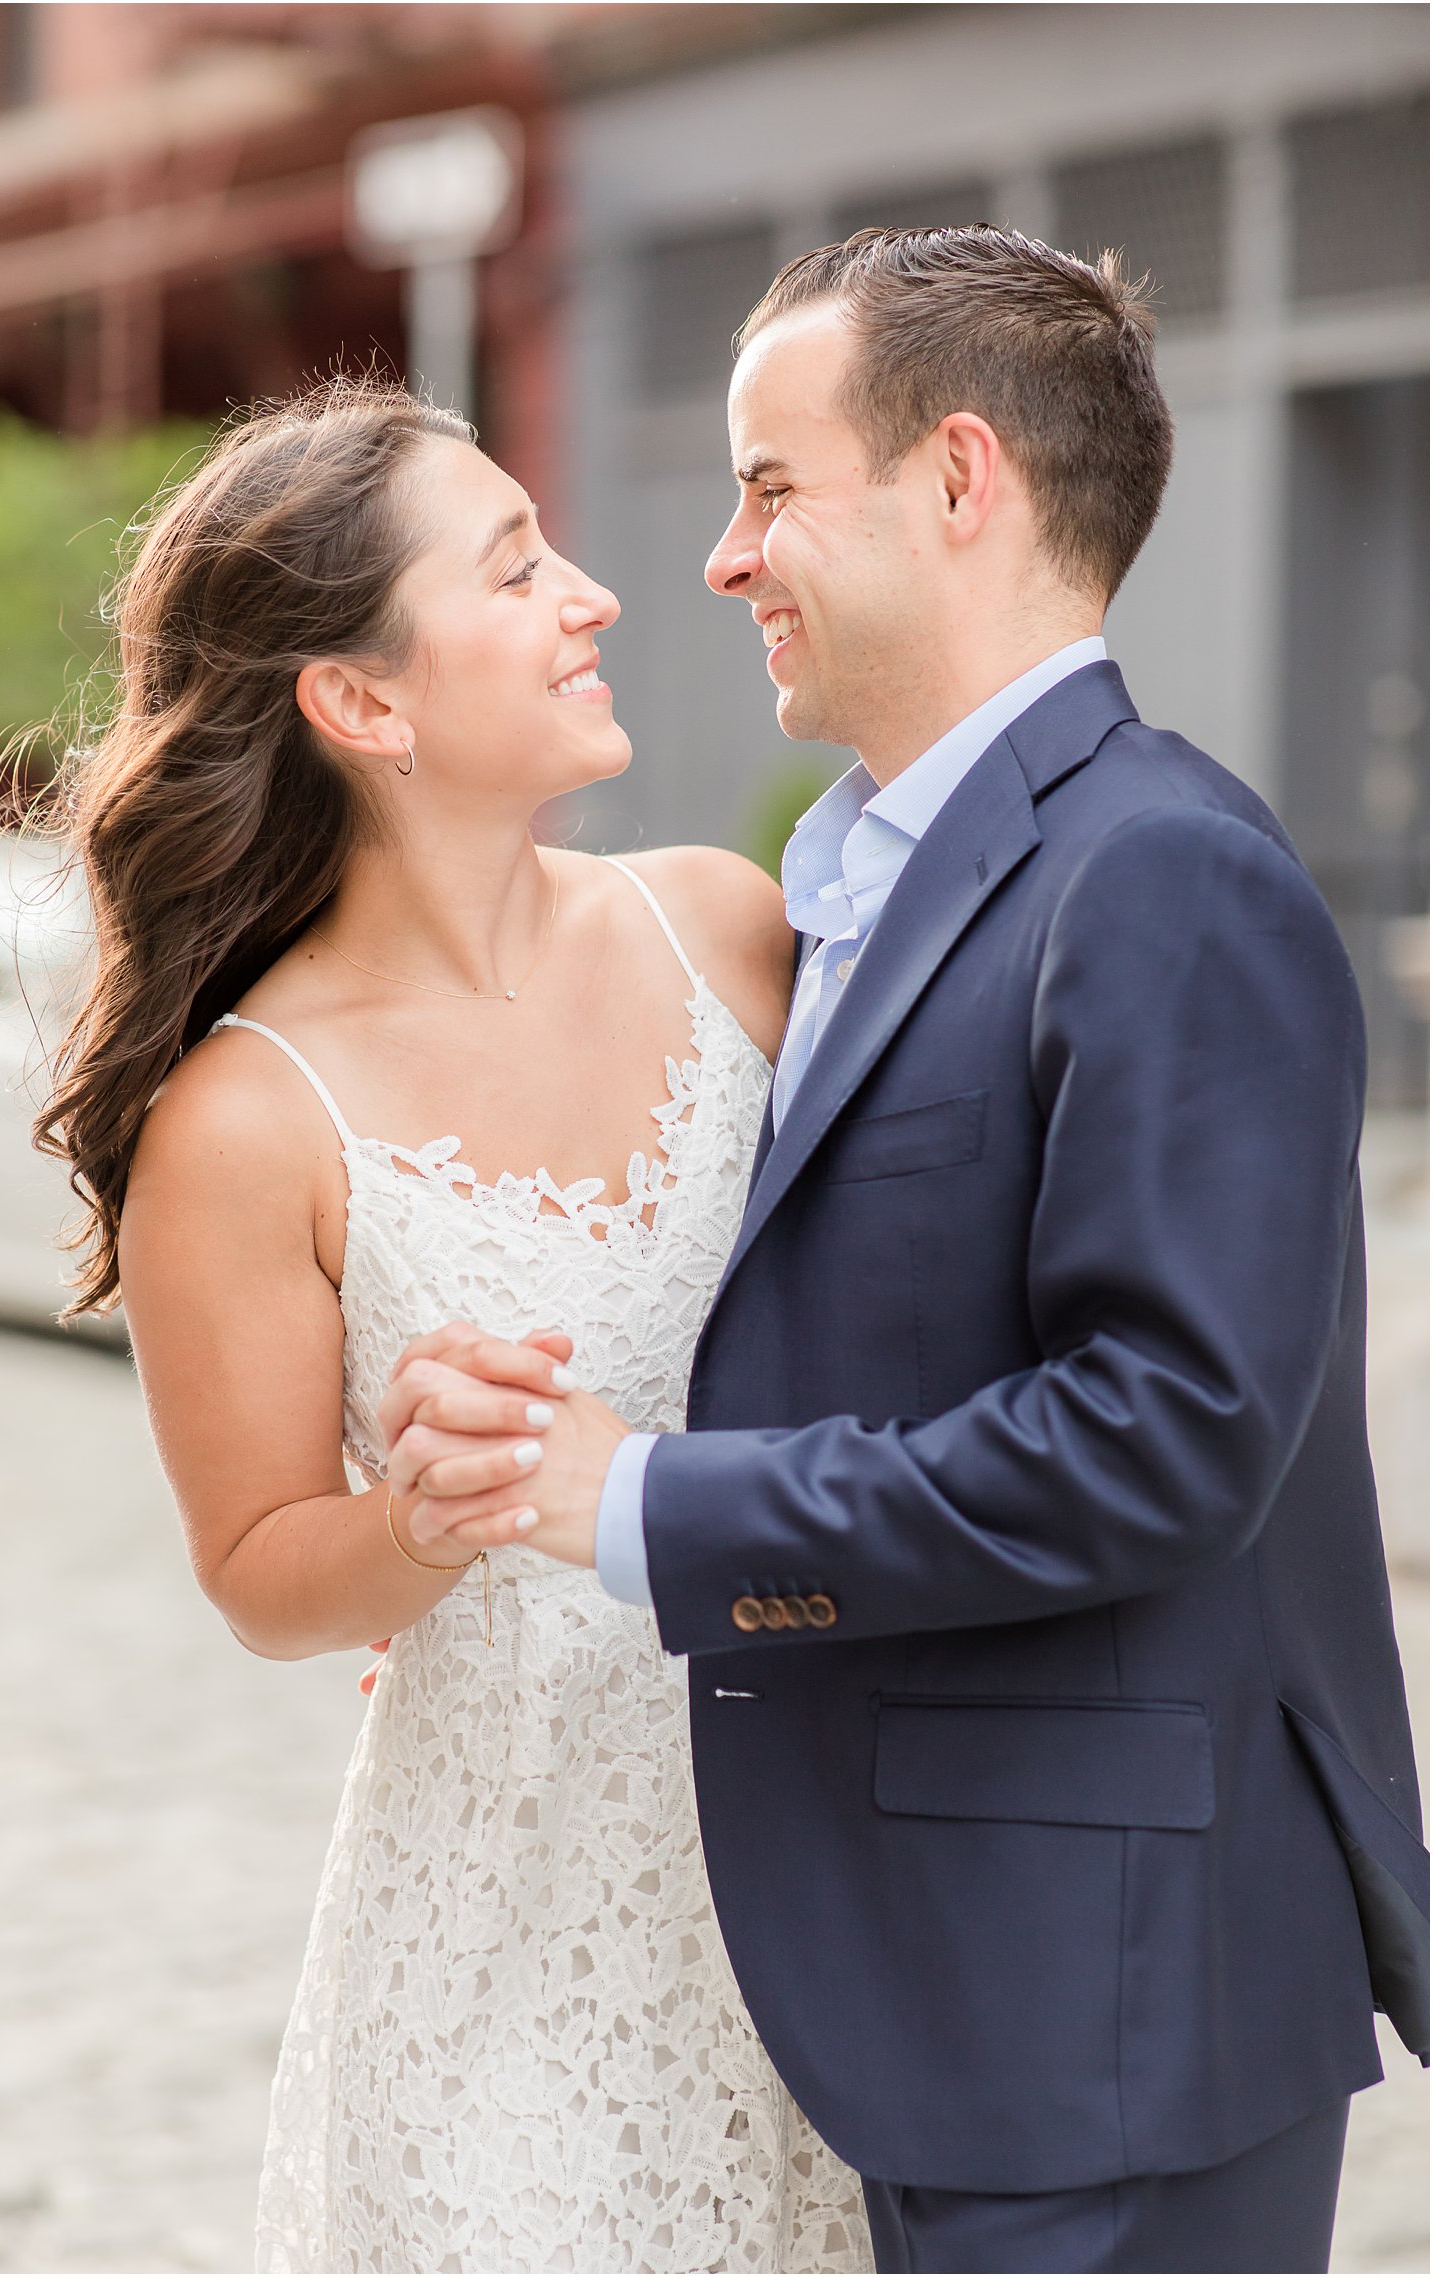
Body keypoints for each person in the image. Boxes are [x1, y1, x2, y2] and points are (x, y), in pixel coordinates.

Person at [381, 228, 1430, 2275]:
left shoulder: (1163, 873)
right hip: (920, 1989)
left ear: (960, 481)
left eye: (770, 485)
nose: (721, 555)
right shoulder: (863, 878)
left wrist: (648, 1502)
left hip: (1097, 2004)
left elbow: (1165, 1431)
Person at [36, 376, 870, 2274]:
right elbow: (260, 1571)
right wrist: (418, 1524)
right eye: (515, 568)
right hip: (497, 1962)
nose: (593, 593)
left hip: (827, 1909)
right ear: (365, 701)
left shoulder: (727, 928)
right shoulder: (247, 1118)